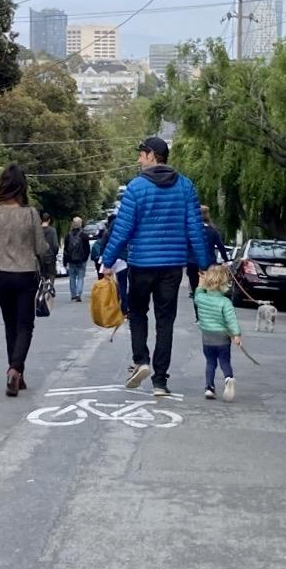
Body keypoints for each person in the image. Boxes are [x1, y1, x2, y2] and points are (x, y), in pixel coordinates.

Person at [101, 136, 209, 397]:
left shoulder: (136, 188)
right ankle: (160, 381)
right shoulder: (185, 187)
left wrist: (107, 262)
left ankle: (141, 361)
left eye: (141, 154)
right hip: (172, 266)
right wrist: (204, 264)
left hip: (141, 265)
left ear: (151, 155)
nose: (138, 159)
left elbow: (122, 229)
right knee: (166, 320)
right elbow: (195, 228)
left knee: (138, 313)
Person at [0, 163, 48, 397]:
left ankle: (17, 374)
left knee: (10, 324)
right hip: (24, 275)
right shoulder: (29, 213)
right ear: (22, 187)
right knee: (25, 325)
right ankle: (15, 368)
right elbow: (41, 247)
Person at [194, 265, 241, 401]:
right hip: (223, 337)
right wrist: (236, 335)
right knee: (225, 361)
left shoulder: (200, 298)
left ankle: (209, 387)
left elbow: (198, 292)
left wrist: (201, 282)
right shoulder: (225, 302)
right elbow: (231, 320)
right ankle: (228, 378)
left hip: (207, 337)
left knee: (210, 362)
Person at [186, 206, 228, 318]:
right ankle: (208, 314)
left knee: (196, 289)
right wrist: (226, 260)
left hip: (192, 263)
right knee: (209, 289)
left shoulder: (191, 230)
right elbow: (221, 247)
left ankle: (198, 316)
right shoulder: (213, 231)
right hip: (208, 264)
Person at [63, 217, 90, 302]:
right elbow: (87, 249)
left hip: (71, 260)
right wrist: (85, 258)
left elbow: (65, 249)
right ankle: (79, 294)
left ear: (72, 224)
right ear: (81, 224)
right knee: (81, 277)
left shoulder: (68, 236)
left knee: (72, 277)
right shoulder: (84, 236)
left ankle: (73, 294)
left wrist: (65, 261)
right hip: (81, 260)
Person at [40, 212, 59, 283]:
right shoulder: (52, 230)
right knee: (52, 274)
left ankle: (43, 288)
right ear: (49, 220)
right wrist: (55, 253)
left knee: (42, 275)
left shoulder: (38, 230)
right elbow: (55, 245)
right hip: (50, 256)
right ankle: (50, 289)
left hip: (41, 257)